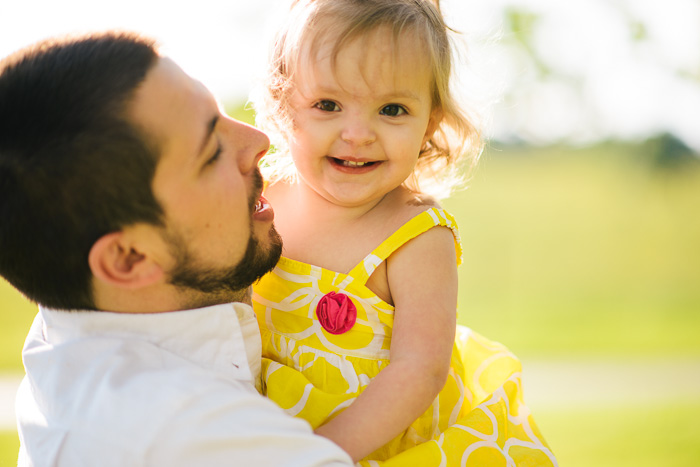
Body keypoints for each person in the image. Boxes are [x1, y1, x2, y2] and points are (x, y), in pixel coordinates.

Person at [0, 31, 354, 466]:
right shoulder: (192, 433)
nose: (258, 141)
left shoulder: (70, 322)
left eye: (221, 113)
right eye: (210, 155)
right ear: (128, 259)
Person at [251, 0, 558, 465]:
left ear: (429, 123)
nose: (357, 133)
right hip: (264, 426)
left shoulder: (416, 236)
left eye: (391, 109)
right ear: (284, 104)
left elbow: (420, 370)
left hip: (370, 443)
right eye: (328, 105)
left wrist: (323, 453)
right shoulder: (259, 204)